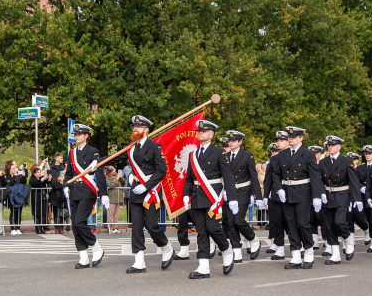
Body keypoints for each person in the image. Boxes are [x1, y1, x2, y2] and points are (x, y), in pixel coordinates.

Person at [102, 115, 174, 273]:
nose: (135, 129)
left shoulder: (155, 147)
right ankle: (139, 261)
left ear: (146, 130)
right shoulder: (131, 147)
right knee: (137, 227)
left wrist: (146, 186)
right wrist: (97, 162)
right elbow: (114, 158)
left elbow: (162, 171)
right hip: (135, 192)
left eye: (138, 127)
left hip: (151, 192)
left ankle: (166, 247)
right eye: (134, 127)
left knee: (151, 225)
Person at [182, 120, 237, 279]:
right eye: (199, 131)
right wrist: (186, 194)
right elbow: (189, 178)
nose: (200, 133)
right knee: (201, 231)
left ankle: (226, 250)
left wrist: (232, 198)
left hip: (213, 196)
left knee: (212, 228)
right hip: (197, 196)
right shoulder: (193, 154)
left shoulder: (219, 153)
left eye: (204, 131)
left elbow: (228, 176)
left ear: (211, 134)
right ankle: (203, 266)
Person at [271, 126, 323, 269]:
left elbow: (315, 176)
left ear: (301, 138)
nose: (290, 139)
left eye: (294, 137)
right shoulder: (283, 154)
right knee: (291, 225)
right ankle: (295, 256)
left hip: (303, 193)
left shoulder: (307, 154)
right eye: (289, 136)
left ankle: (308, 252)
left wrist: (317, 196)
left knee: (303, 223)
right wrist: (279, 188)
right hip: (287, 193)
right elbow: (276, 174)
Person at [63, 123, 108, 269]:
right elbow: (69, 173)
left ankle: (96, 247)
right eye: (75, 135)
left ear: (86, 136)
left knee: (79, 222)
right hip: (74, 191)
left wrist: (104, 193)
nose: (76, 137)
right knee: (75, 226)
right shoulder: (71, 153)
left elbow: (99, 172)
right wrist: (65, 186)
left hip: (88, 190)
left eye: (79, 134)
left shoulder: (93, 152)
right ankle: (83, 257)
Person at [318, 136, 361, 265]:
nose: (330, 147)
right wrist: (321, 193)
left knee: (339, 222)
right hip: (328, 196)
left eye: (333, 145)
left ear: (339, 147)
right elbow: (319, 180)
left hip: (342, 195)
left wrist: (357, 199)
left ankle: (347, 239)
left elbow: (353, 181)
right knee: (329, 226)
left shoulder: (346, 161)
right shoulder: (323, 162)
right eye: (328, 146)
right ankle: (335, 255)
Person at [222, 130, 262, 263]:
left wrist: (257, 196)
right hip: (230, 193)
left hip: (243, 191)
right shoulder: (225, 156)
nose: (231, 142)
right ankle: (236, 250)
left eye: (234, 140)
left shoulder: (247, 156)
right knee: (230, 223)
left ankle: (253, 239)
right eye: (230, 140)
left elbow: (253, 177)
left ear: (240, 142)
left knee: (238, 221)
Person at [262, 133, 290, 260]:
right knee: (277, 222)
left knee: (292, 222)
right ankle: (279, 248)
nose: (279, 142)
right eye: (277, 140)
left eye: (281, 140)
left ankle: (299, 245)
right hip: (276, 195)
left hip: (293, 193)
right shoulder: (273, 159)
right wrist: (265, 195)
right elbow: (268, 179)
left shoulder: (295, 155)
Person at [358, 145, 372, 253]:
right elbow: (355, 180)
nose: (367, 155)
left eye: (370, 153)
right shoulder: (360, 168)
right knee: (370, 221)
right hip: (364, 198)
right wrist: (361, 187)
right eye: (366, 154)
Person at [29, 166, 50, 234]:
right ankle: (37, 228)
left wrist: (49, 179)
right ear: (34, 173)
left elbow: (46, 181)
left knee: (43, 213)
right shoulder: (32, 179)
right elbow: (35, 183)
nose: (39, 173)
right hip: (36, 199)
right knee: (37, 214)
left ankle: (42, 227)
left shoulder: (41, 178)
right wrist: (42, 179)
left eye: (40, 172)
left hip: (43, 198)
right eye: (37, 172)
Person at [49, 153, 66, 234]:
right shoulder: (51, 167)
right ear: (56, 158)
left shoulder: (63, 167)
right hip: (54, 191)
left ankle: (61, 227)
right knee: (55, 210)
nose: (62, 159)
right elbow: (51, 180)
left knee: (62, 210)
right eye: (61, 158)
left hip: (62, 191)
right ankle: (56, 227)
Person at [105, 166, 125, 233]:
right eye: (113, 170)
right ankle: (111, 228)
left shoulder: (117, 175)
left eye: (115, 170)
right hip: (112, 198)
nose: (115, 171)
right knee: (111, 214)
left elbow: (124, 181)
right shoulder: (107, 178)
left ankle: (115, 227)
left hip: (118, 198)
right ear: (110, 172)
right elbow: (111, 185)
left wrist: (121, 177)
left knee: (116, 214)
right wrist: (116, 178)